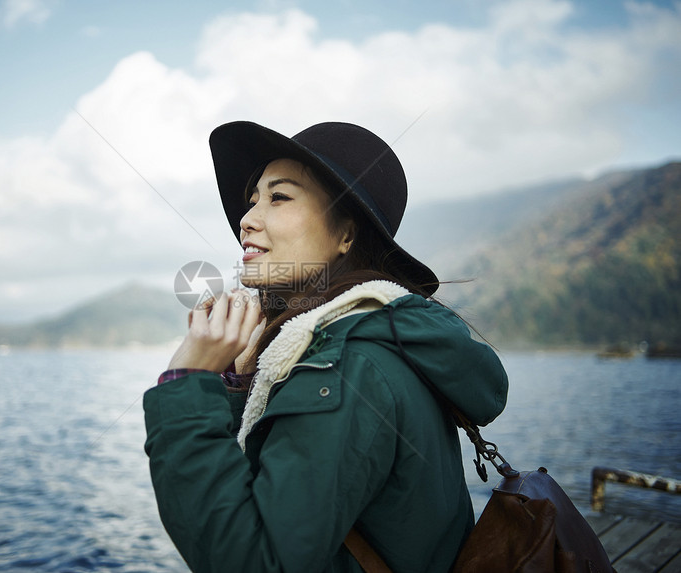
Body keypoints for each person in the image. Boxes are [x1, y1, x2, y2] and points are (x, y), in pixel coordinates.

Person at [143, 121, 508, 572]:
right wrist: (237, 379)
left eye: (279, 197)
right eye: (252, 199)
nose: (248, 218)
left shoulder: (348, 367)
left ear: (346, 236)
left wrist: (188, 383)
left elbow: (254, 561)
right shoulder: (369, 339)